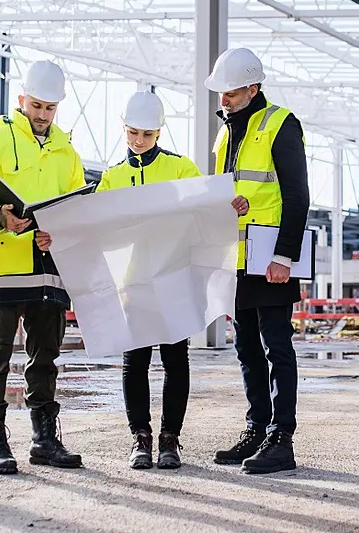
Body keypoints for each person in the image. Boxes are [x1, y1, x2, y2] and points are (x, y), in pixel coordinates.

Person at [0, 60, 87, 475]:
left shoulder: (68, 154)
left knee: (45, 357)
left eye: (50, 108)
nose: (42, 114)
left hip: (50, 269)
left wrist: (60, 232)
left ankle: (44, 439)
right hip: (4, 265)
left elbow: (76, 210)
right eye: (36, 105)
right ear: (21, 100)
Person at [205, 48, 310, 475]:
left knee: (276, 347)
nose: (223, 100)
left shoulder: (281, 124)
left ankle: (281, 438)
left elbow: (297, 195)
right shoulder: (225, 134)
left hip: (270, 258)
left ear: (252, 88)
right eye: (221, 93)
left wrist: (285, 256)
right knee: (247, 350)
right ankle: (257, 426)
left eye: (230, 92)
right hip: (238, 258)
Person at [96, 91, 202, 470]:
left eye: (147, 134)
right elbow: (100, 229)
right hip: (134, 282)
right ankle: (140, 438)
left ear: (159, 132)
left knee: (176, 360)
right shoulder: (112, 177)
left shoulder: (181, 169)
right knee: (135, 361)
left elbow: (203, 213)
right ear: (124, 128)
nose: (139, 141)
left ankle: (170, 440)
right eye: (133, 132)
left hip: (174, 279)